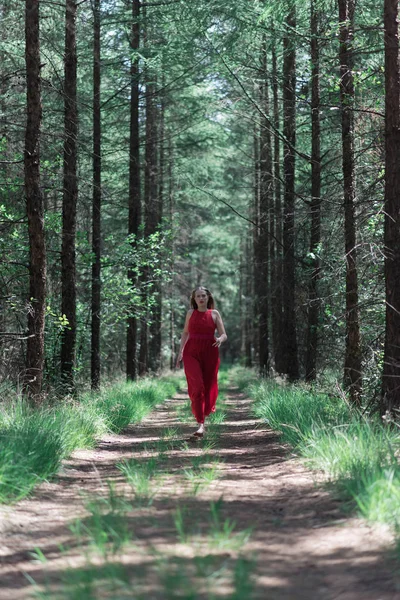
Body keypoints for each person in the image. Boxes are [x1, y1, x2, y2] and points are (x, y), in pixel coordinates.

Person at [176, 286, 227, 437]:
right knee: (197, 386)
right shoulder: (190, 313)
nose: (201, 298)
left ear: (208, 297)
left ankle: (203, 416)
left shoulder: (214, 314)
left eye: (203, 296)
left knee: (209, 386)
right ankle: (200, 424)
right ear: (194, 299)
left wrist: (219, 339)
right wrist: (180, 351)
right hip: (191, 352)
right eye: (198, 296)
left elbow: (224, 334)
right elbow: (185, 332)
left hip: (210, 352)